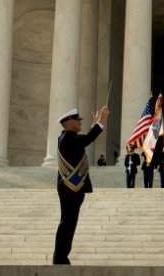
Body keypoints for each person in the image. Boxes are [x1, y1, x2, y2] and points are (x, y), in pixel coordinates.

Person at [53, 106, 109, 265]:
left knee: (69, 223)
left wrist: (96, 125)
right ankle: (60, 258)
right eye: (77, 120)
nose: (79, 123)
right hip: (71, 187)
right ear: (69, 122)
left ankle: (61, 257)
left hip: (71, 186)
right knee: (67, 223)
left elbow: (83, 139)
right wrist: (100, 121)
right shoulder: (68, 138)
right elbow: (87, 139)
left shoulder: (67, 138)